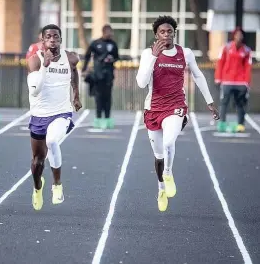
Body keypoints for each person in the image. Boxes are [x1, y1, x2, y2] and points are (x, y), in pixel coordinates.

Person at [136, 15, 220, 212]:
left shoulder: (185, 53)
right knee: (158, 154)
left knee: (168, 142)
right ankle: (161, 188)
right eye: (162, 32)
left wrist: (210, 101)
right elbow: (141, 83)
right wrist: (154, 57)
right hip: (153, 108)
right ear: (156, 35)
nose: (166, 35)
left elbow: (198, 75)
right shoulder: (148, 54)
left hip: (176, 105)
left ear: (175, 33)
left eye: (170, 31)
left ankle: (168, 172)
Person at [27, 24, 82, 211]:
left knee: (52, 141)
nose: (52, 39)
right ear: (42, 40)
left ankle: (57, 184)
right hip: (39, 115)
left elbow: (74, 73)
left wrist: (76, 95)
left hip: (61, 112)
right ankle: (37, 188)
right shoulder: (35, 61)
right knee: (37, 161)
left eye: (56, 36)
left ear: (60, 39)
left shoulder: (71, 58)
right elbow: (35, 92)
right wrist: (45, 66)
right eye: (48, 37)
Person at [214, 27, 252, 133]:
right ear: (234, 36)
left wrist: (247, 82)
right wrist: (218, 78)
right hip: (227, 81)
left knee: (240, 103)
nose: (239, 37)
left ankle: (240, 124)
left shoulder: (247, 50)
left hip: (241, 82)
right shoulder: (226, 48)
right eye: (237, 34)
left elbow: (248, 67)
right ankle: (222, 123)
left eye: (241, 35)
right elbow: (220, 62)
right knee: (224, 102)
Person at [82, 24, 119, 129]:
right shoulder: (96, 43)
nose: (110, 34)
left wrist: (112, 59)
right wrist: (84, 69)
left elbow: (117, 57)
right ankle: (98, 119)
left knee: (108, 97)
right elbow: (87, 55)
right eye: (108, 32)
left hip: (109, 75)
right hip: (98, 75)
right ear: (104, 32)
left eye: (111, 32)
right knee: (98, 97)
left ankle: (107, 119)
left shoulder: (113, 44)